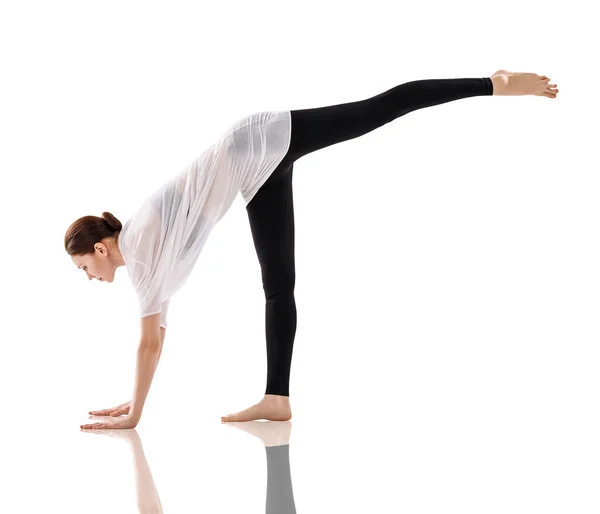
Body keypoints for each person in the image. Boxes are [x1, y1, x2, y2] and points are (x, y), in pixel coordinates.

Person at [69, 70, 559, 429]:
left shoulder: (139, 241)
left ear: (99, 247)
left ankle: (493, 83)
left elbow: (149, 342)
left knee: (380, 107)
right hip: (255, 176)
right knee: (279, 286)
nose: (87, 276)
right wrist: (134, 402)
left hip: (257, 141)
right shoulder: (145, 251)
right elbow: (157, 335)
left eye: (83, 265)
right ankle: (276, 398)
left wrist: (135, 413)